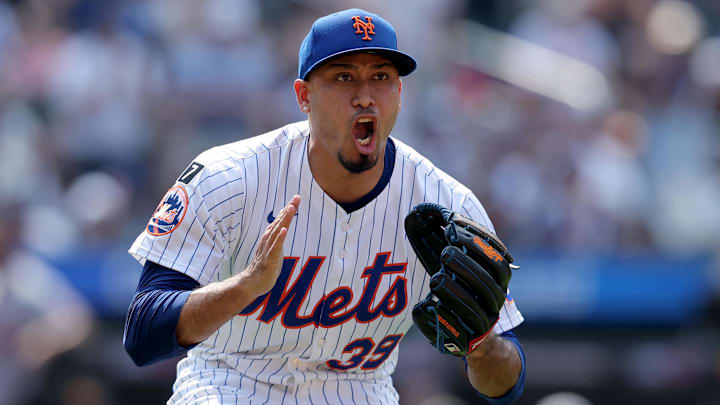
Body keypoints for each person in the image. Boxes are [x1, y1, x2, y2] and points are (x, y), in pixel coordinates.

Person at [124, 8, 525, 404]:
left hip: (360, 391)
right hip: (229, 384)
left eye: (381, 77)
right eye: (344, 77)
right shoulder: (229, 178)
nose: (365, 96)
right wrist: (246, 286)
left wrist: (482, 342)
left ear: (399, 95)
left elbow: (506, 387)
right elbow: (142, 334)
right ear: (304, 96)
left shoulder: (447, 204)